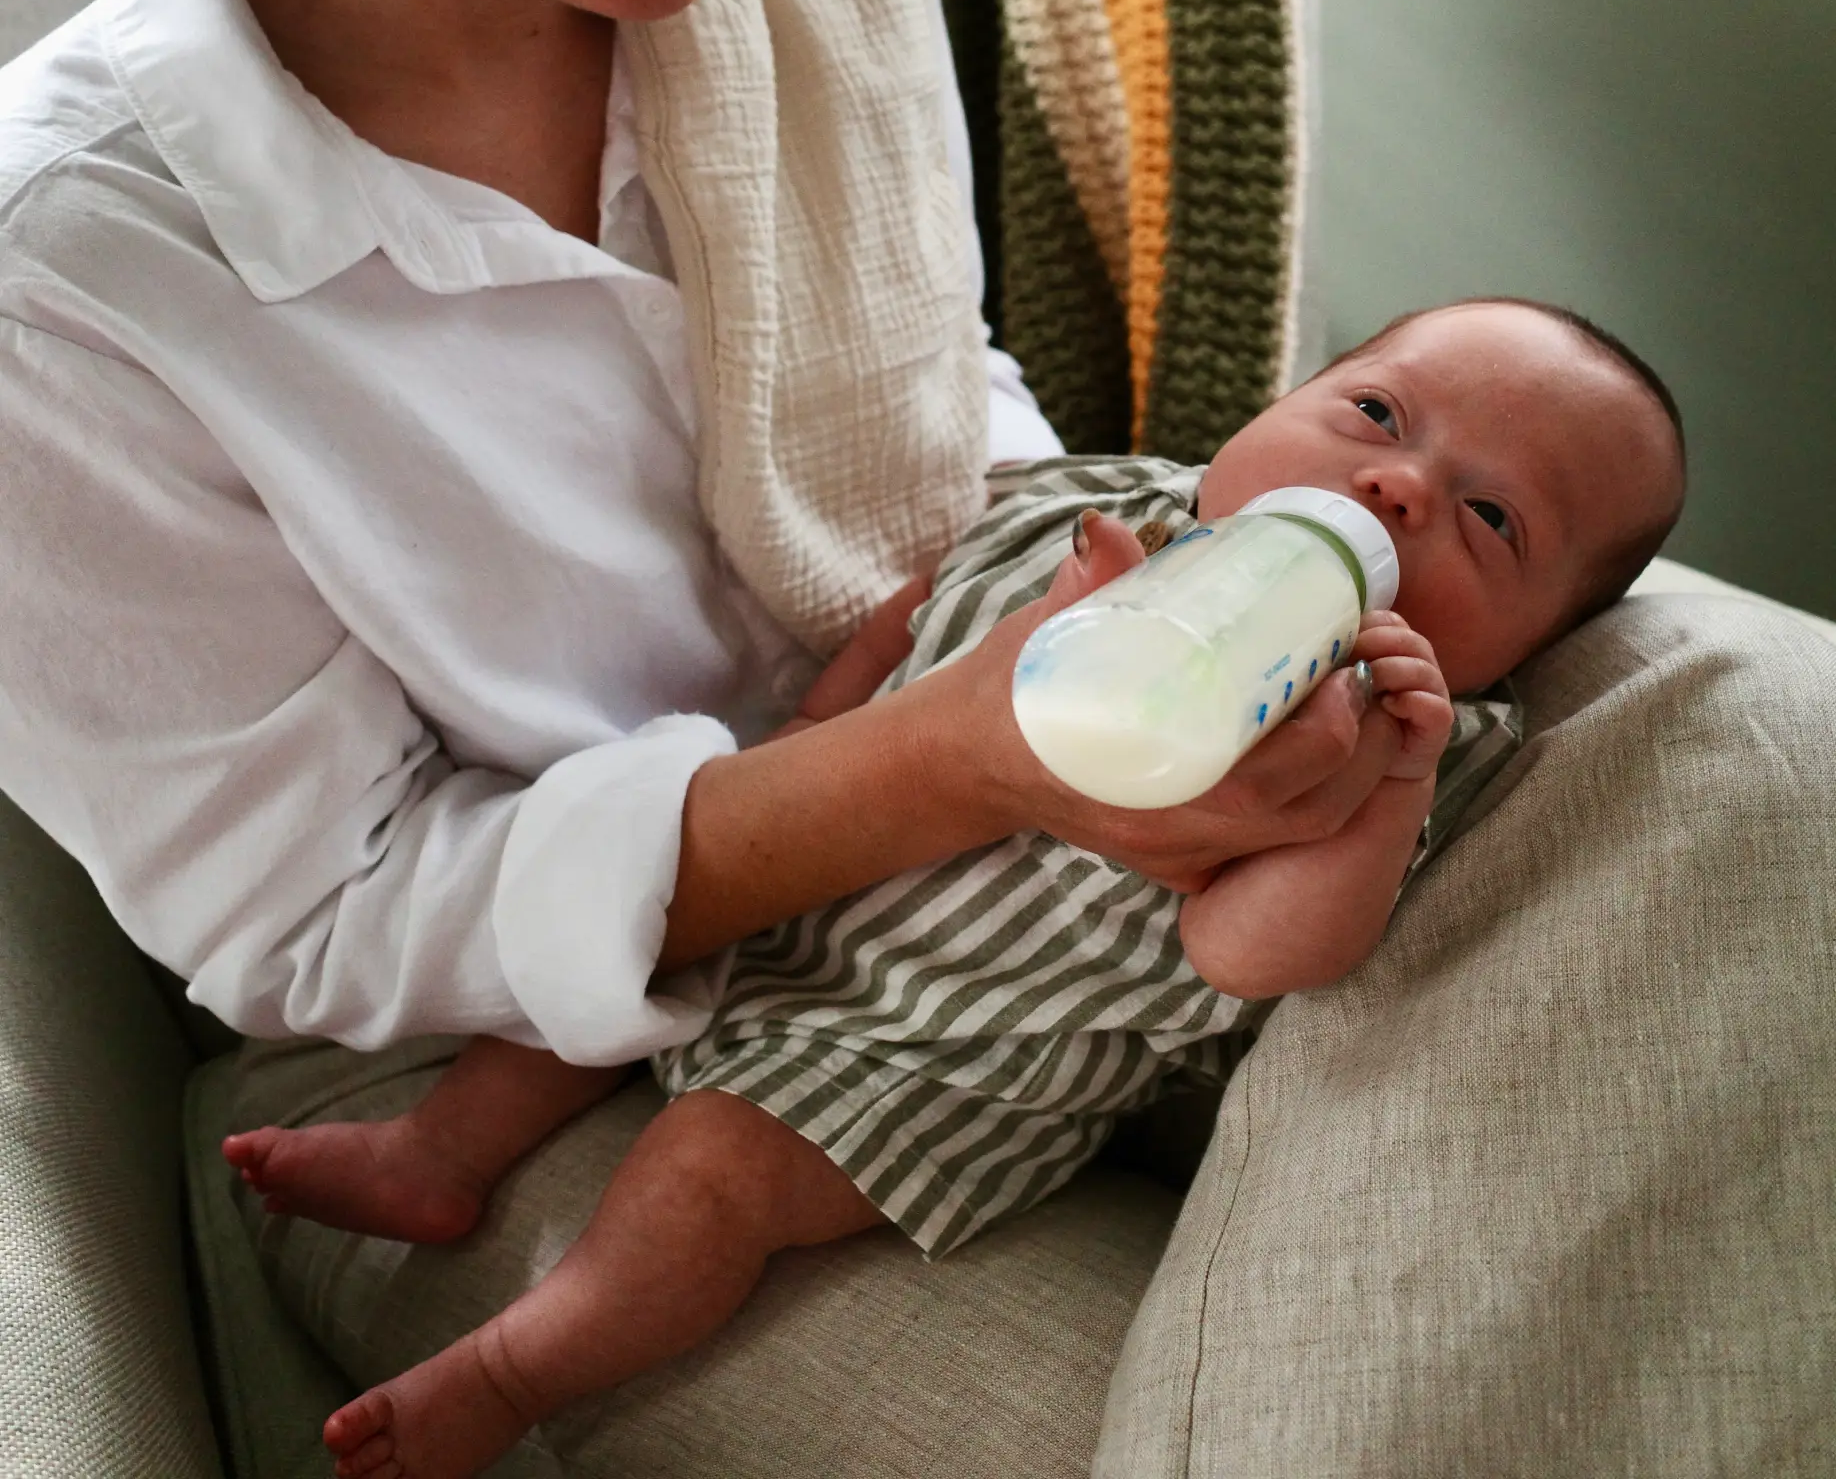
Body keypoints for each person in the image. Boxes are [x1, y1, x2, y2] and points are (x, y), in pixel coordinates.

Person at [0, 0, 1420, 1440]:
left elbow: (944, 413)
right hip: (499, 1074)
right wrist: (947, 763)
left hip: (1000, 839)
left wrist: (1153, 622)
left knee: (1718, 757)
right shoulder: (69, 278)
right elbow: (336, 917)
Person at [220, 296, 1686, 1479]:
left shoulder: (1396, 734)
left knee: (704, 1181)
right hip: (801, 874)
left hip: (937, 1056)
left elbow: (1253, 956)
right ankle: (436, 1153)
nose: (1399, 487)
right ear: (1273, 405)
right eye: (1375, 413)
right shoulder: (1102, 503)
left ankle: (506, 1372)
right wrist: (810, 736)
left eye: (1493, 521)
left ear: (1530, 644)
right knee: (596, 953)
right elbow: (918, 616)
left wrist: (1392, 790)